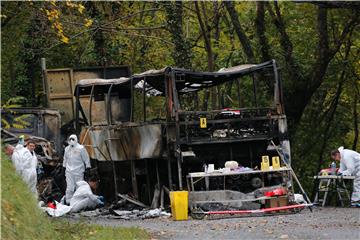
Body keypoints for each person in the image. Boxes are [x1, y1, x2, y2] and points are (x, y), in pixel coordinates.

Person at [63, 134, 91, 204]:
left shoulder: (81, 148)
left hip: (79, 171)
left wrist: (88, 167)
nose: (71, 141)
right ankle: (68, 202)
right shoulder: (67, 149)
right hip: (69, 171)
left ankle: (79, 202)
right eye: (70, 139)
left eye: (73, 139)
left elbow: (86, 158)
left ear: (76, 139)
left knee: (79, 187)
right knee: (70, 187)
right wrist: (63, 167)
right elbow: (65, 159)